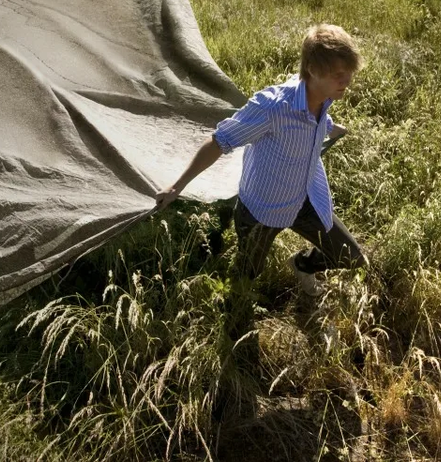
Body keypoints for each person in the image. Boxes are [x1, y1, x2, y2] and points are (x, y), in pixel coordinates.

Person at [155, 24, 367, 306]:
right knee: (246, 278)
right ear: (314, 70)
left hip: (304, 199)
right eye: (339, 74)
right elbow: (219, 141)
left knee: (351, 257)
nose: (347, 80)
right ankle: (234, 324)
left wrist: (328, 127)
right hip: (261, 210)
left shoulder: (324, 95)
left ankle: (302, 265)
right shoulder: (273, 107)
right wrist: (176, 186)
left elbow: (313, 119)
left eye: (349, 72)